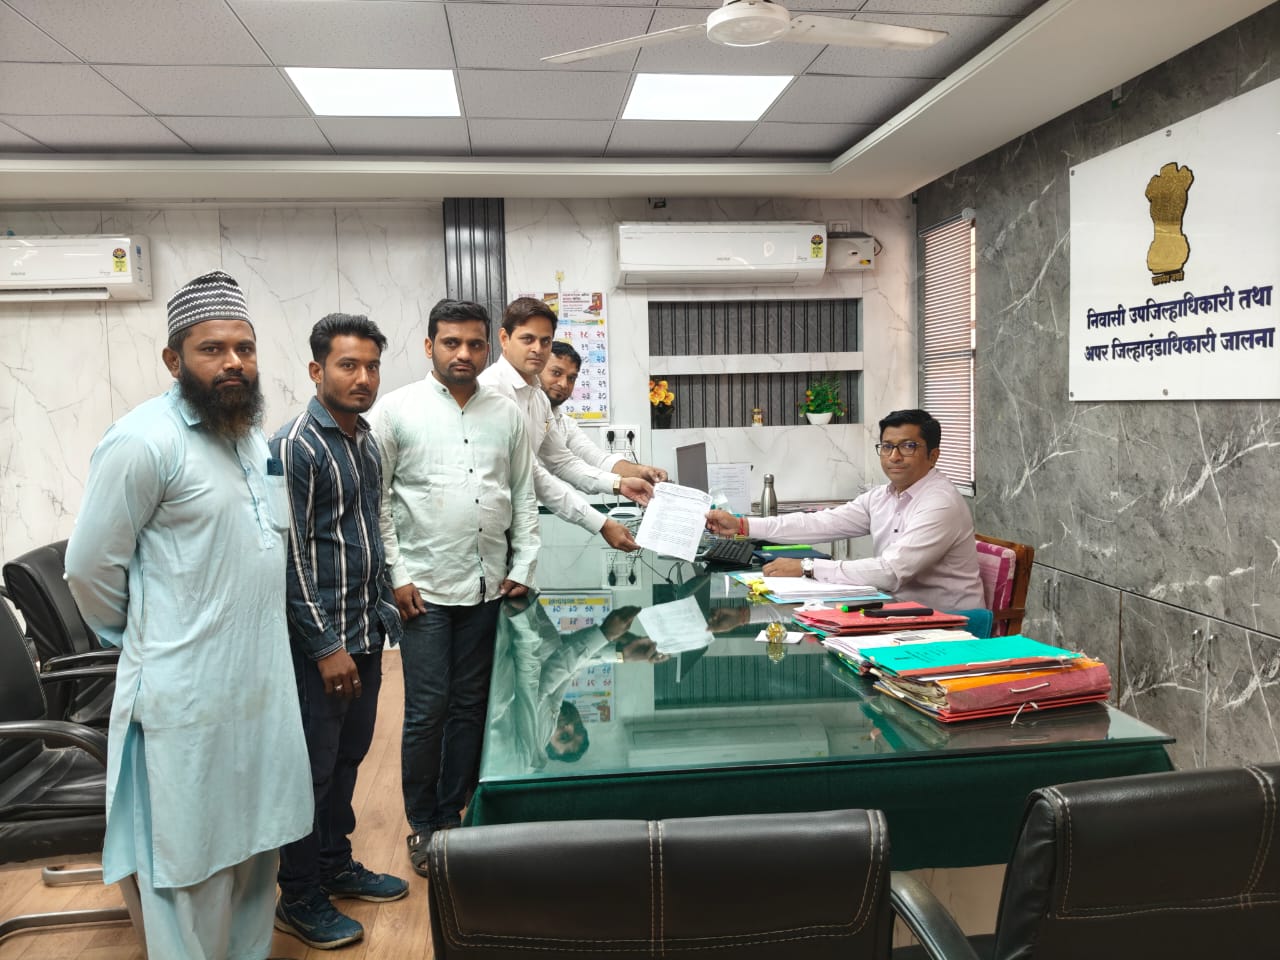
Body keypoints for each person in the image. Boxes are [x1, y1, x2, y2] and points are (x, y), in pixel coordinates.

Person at [64, 270, 313, 959]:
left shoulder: (249, 435)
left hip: (261, 687)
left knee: (257, 846)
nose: (233, 362)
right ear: (174, 360)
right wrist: (148, 637)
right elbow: (89, 568)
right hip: (186, 696)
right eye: (212, 349)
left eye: (244, 348)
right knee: (188, 859)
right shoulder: (143, 441)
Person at [368, 298, 539, 878]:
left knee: (471, 707)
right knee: (427, 709)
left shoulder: (506, 414)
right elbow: (379, 502)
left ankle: (453, 814)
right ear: (429, 346)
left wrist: (526, 560)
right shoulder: (395, 412)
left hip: (489, 586)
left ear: (488, 347)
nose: (463, 353)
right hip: (424, 589)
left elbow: (523, 494)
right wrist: (397, 576)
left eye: (474, 343)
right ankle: (422, 822)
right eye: (451, 342)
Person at [271, 314, 408, 949]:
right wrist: (325, 646)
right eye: (348, 365)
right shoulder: (296, 446)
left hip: (364, 631)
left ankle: (334, 863)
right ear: (316, 369)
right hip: (319, 645)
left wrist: (385, 604)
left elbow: (367, 530)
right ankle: (298, 895)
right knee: (311, 770)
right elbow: (291, 555)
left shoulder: (364, 440)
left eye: (372, 366)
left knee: (349, 757)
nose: (363, 378)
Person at [705, 408, 983, 611]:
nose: (894, 456)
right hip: (896, 610)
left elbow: (890, 571)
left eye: (908, 447)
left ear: (933, 455)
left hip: (950, 625)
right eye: (887, 446)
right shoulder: (882, 496)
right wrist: (742, 525)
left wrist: (807, 567)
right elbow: (820, 523)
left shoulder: (940, 503)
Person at [478, 297, 651, 552]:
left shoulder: (537, 396)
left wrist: (619, 484)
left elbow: (562, 461)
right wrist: (601, 523)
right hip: (483, 534)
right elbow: (531, 474)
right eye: (528, 339)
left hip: (513, 530)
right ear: (504, 338)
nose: (538, 348)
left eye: (545, 341)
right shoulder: (492, 391)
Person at [540, 340, 668, 485]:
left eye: (571, 378)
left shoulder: (564, 424)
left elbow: (597, 459)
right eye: (556, 373)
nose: (564, 384)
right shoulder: (522, 413)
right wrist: (617, 485)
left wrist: (642, 472)